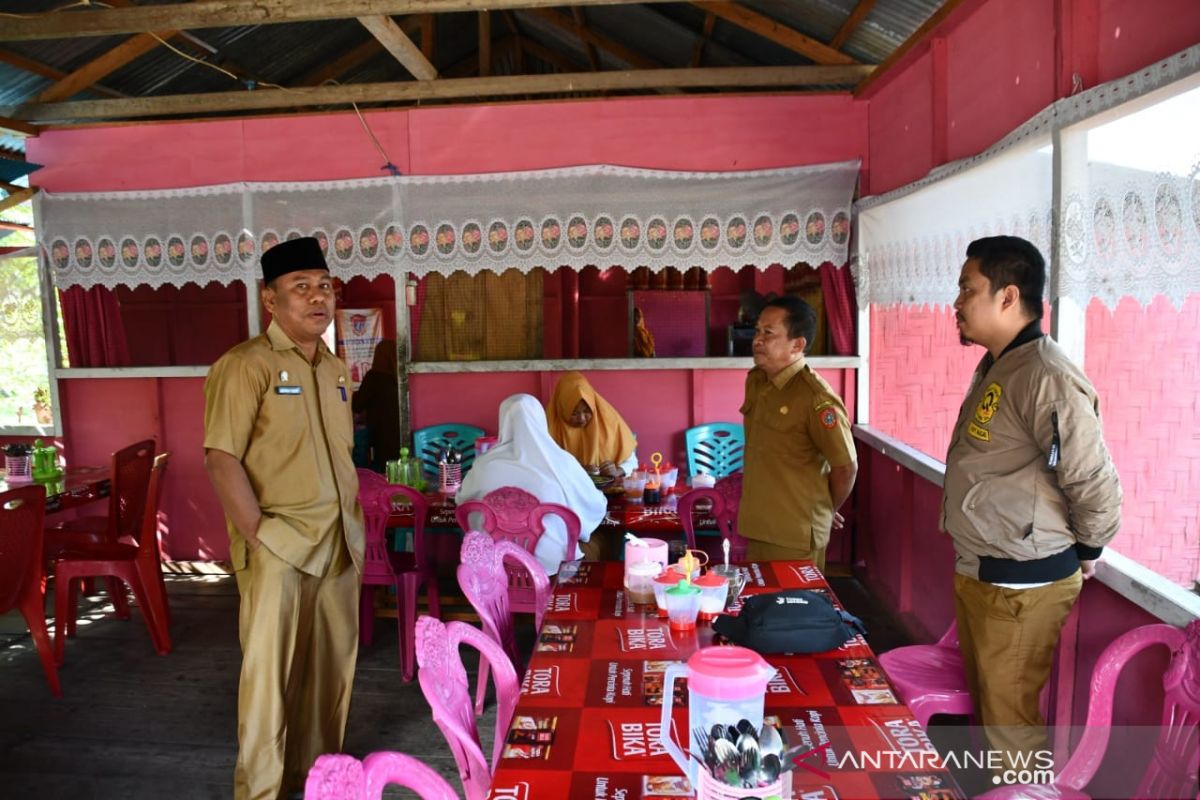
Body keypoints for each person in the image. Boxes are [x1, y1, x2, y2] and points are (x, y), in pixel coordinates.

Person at [944, 236, 1121, 772]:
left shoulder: (1047, 374)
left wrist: (1090, 544)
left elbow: (1092, 476)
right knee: (994, 718)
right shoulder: (1003, 363)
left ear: (1007, 296)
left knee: (1011, 727)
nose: (956, 301)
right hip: (987, 572)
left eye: (967, 288)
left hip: (1020, 582)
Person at [203, 236, 364, 800]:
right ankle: (262, 791)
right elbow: (221, 457)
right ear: (270, 299)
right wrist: (260, 535)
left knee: (328, 675)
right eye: (301, 288)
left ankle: (317, 778)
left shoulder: (335, 369)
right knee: (269, 682)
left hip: (339, 544)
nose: (318, 298)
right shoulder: (245, 365)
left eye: (325, 287)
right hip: (279, 545)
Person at [737, 295, 857, 573]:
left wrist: (826, 508)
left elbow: (846, 467)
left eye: (769, 333)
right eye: (757, 331)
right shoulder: (757, 381)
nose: (758, 340)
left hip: (793, 534)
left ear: (798, 344)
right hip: (758, 525)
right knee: (760, 610)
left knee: (794, 613)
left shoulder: (816, 398)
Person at [456, 393, 607, 576]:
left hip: (493, 564)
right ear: (541, 420)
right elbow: (593, 505)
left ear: (503, 422)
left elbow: (463, 501)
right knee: (599, 540)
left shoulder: (484, 464)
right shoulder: (561, 462)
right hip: (553, 567)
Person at [546, 371, 638, 480]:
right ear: (562, 409)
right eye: (574, 413)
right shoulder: (549, 427)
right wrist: (578, 469)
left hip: (609, 492)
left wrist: (617, 471)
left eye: (587, 411)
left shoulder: (610, 422)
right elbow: (544, 466)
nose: (581, 418)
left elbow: (632, 462)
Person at [351, 339, 400, 471]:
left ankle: (360, 475)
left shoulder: (373, 377)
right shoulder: (401, 378)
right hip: (399, 437)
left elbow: (357, 406)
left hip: (378, 436)